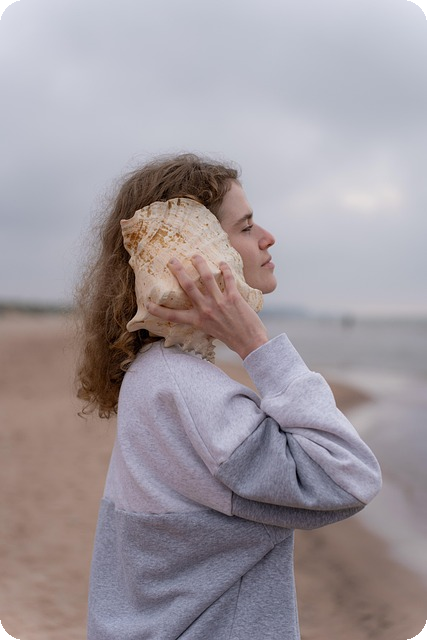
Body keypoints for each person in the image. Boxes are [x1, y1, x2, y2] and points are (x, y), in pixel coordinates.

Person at [75, 152, 382, 640]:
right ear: (191, 248)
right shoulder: (186, 393)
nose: (267, 238)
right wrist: (257, 345)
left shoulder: (155, 376)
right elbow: (349, 478)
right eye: (246, 226)